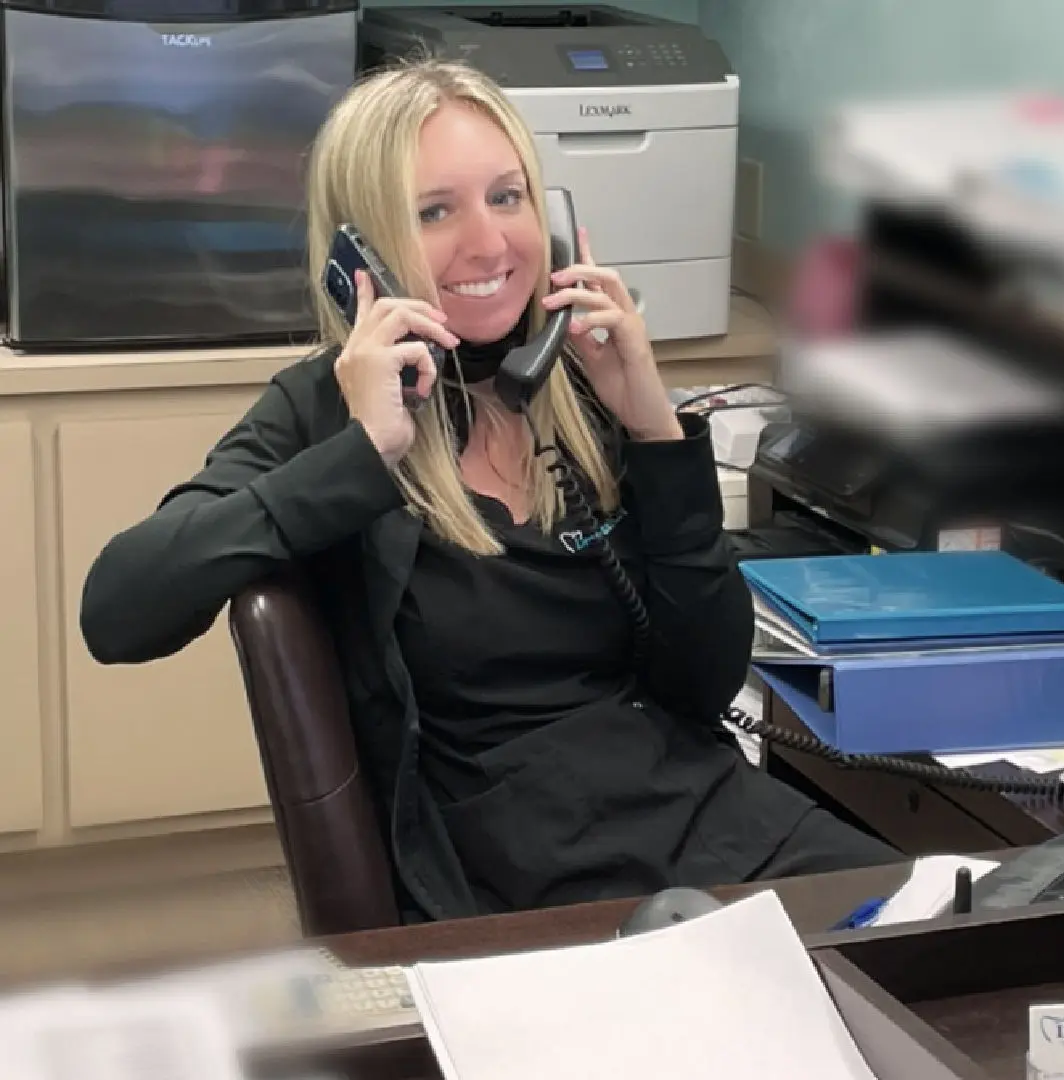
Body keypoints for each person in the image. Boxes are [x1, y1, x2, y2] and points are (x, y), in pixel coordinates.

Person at [80, 59, 897, 922]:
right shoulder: (323, 409)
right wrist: (362, 457)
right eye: (435, 212)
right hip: (525, 883)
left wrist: (656, 429)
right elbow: (119, 607)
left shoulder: (579, 386)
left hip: (707, 822)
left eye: (508, 199)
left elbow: (702, 683)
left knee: (965, 941)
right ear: (362, 255)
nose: (489, 244)